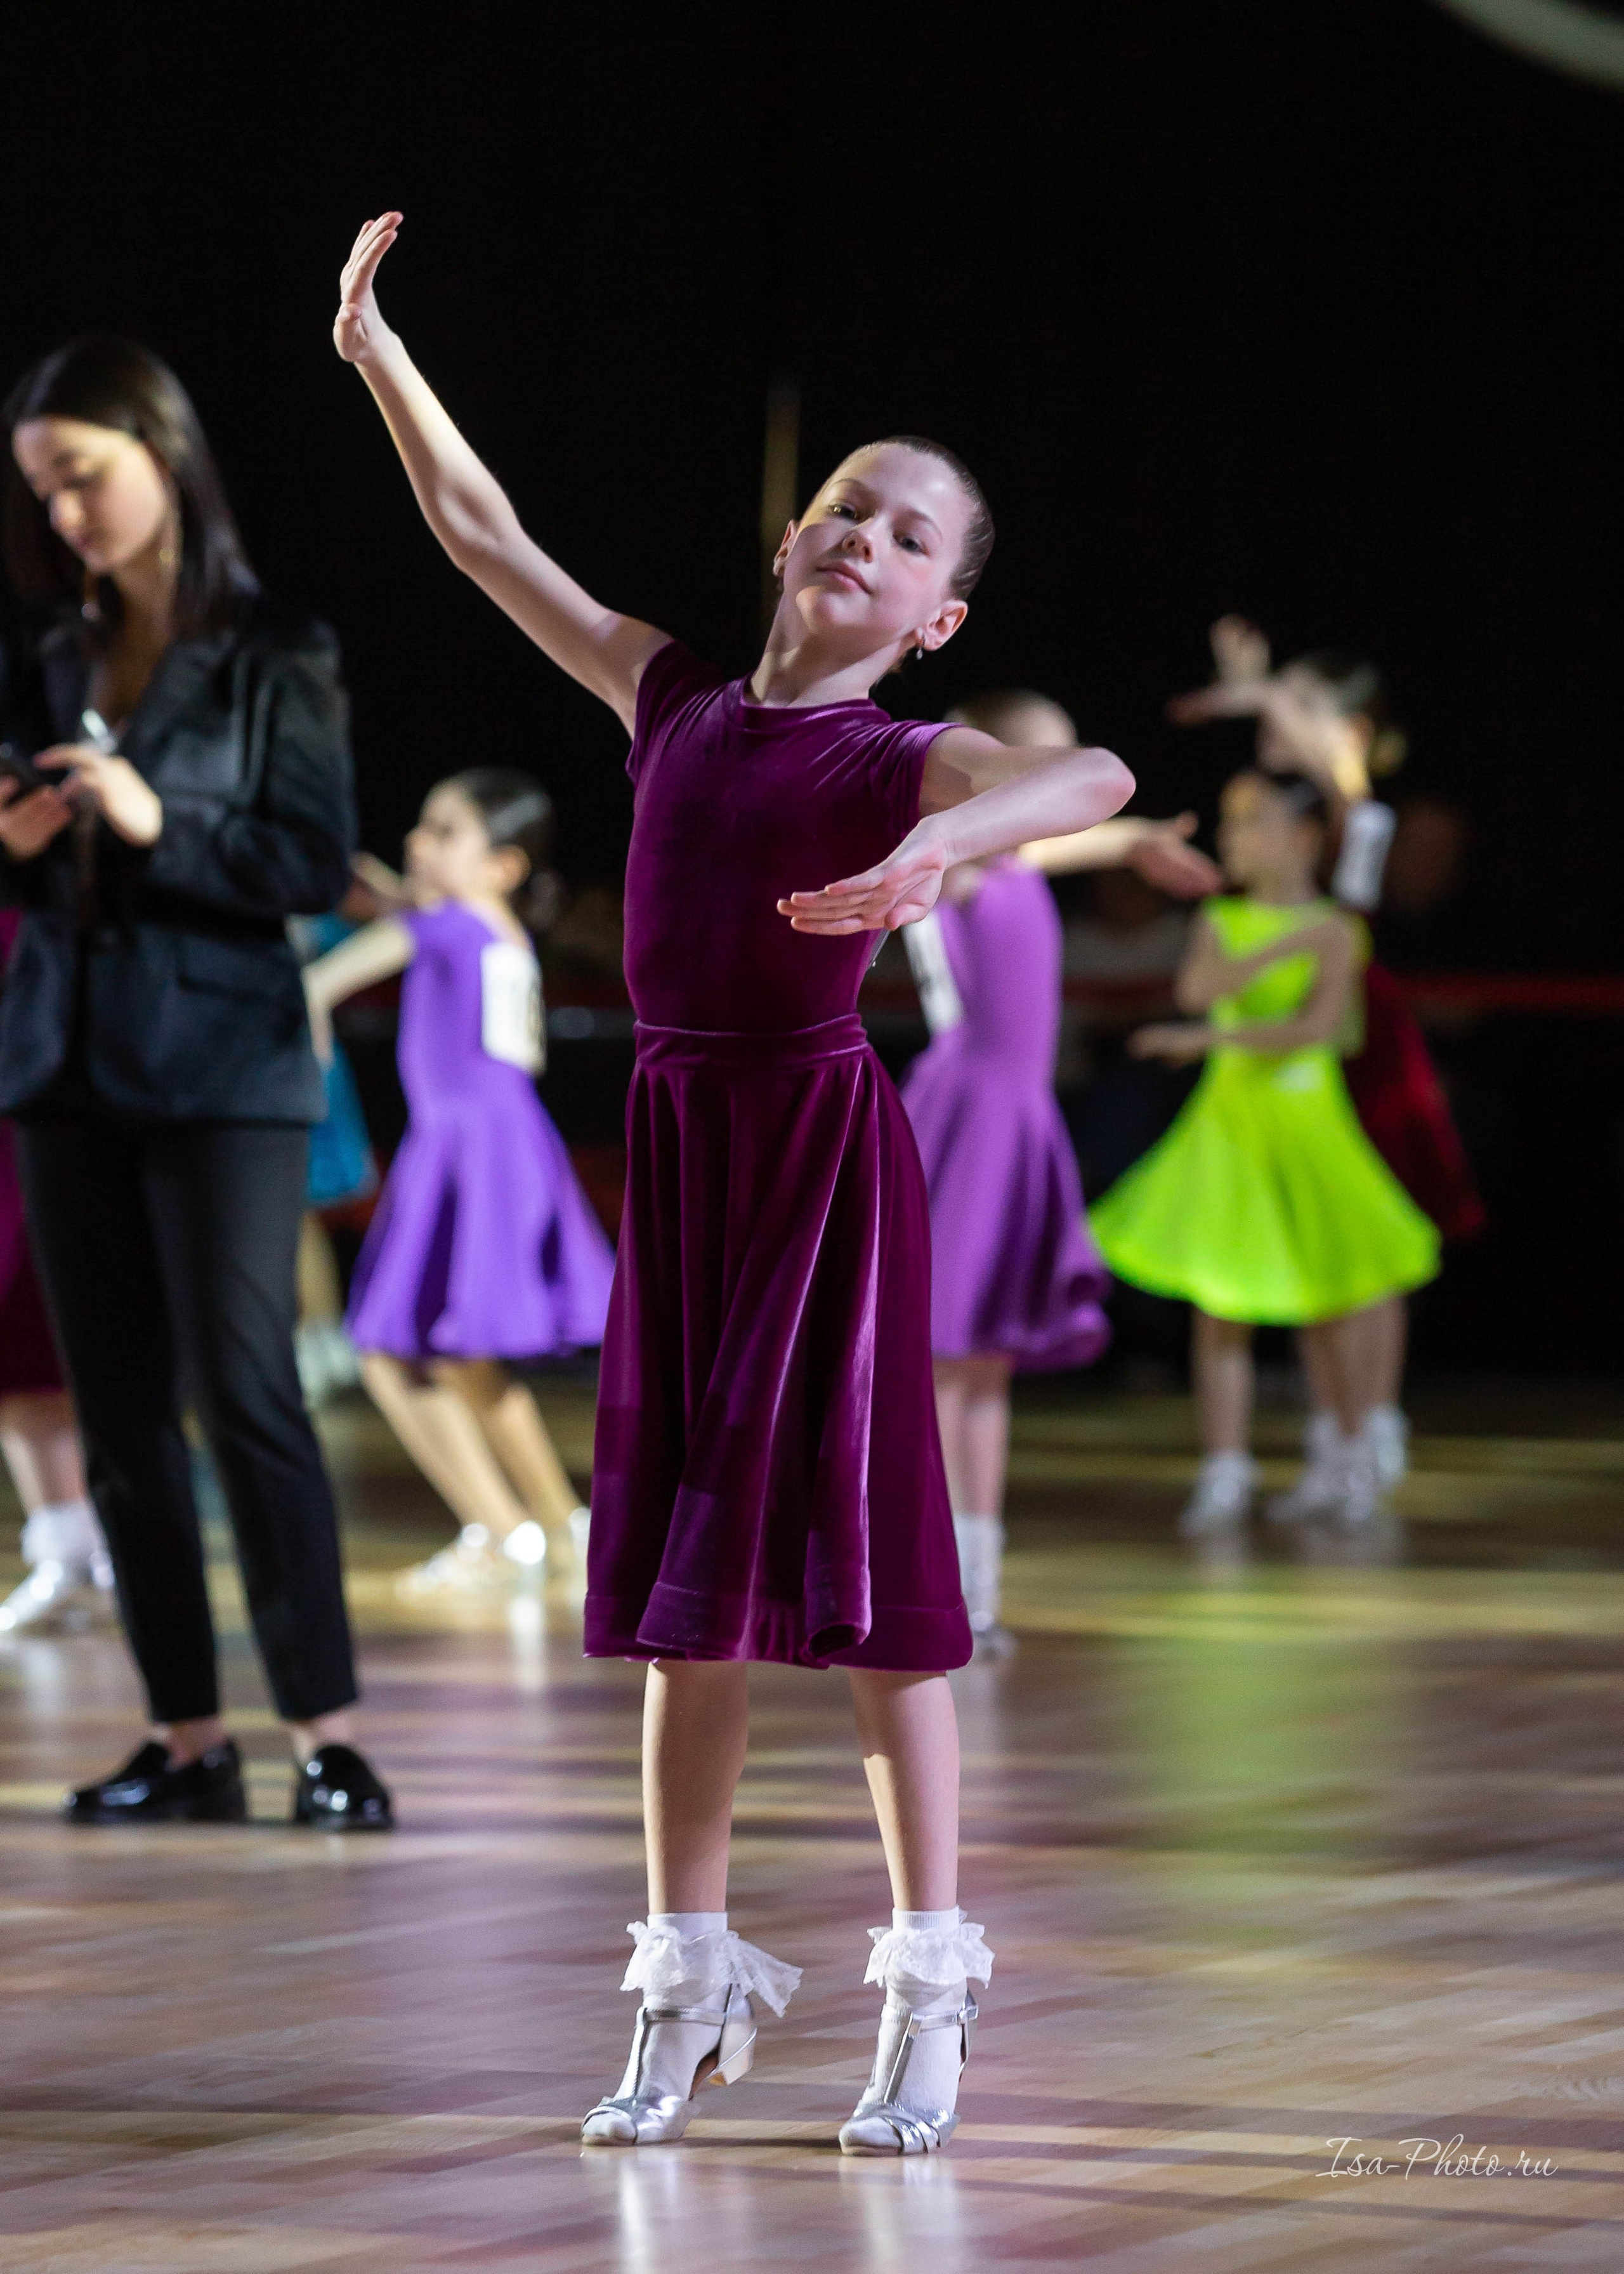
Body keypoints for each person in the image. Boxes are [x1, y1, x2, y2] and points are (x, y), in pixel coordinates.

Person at [333, 211, 1135, 2155]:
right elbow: (481, 534)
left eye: (908, 535)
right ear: (793, 538)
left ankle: (927, 1981)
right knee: (686, 1602)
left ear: (933, 614)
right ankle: (685, 1979)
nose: (865, 534)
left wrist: (943, 853)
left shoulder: (906, 751)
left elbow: (1089, 776)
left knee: (871, 1602)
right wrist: (373, 351)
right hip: (686, 1162)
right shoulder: (672, 699)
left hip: (824, 1163)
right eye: (848, 508)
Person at [0, 336, 391, 1829]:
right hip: (65, 1060)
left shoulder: (277, 648)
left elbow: (309, 862)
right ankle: (184, 1738)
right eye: (44, 492)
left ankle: (330, 1734)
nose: (67, 517)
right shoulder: (42, 648)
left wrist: (160, 822)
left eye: (83, 479)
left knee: (247, 1395)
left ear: (163, 456)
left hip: (226, 1060)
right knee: (116, 1416)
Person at [900, 689, 1219, 1645]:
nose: (1065, 773)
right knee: (942, 1363)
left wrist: (1133, 842)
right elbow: (1005, 844)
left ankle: (977, 1586)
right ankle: (928, 1582)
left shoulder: (1013, 860)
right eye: (1046, 756)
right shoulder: (950, 855)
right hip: (962, 1121)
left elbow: (1047, 842)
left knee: (982, 1366)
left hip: (1013, 1123)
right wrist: (1123, 842)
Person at [1170, 621, 1482, 1511]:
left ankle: (1371, 1430)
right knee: (1311, 1244)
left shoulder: (1362, 817)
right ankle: (1331, 1436)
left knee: (1368, 1253)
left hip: (1358, 1048)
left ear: (1348, 731)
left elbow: (1336, 770)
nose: (1280, 719)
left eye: (1306, 706)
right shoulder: (1289, 820)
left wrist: (1259, 693)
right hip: (1291, 1058)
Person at [1089, 770, 1441, 1533]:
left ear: (1305, 836)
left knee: (1327, 1296)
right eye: (1231, 819)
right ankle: (1224, 1465)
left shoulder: (1340, 927)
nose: (1234, 835)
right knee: (1220, 1304)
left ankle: (1348, 1456)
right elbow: (1196, 989)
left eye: (1252, 821)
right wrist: (1279, 946)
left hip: (1309, 1121)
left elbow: (1323, 1029)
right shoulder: (1224, 917)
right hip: (1231, 1125)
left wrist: (1222, 1028)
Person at [303, 768, 615, 1591]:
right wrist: (396, 901)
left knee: (429, 1352)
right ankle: (529, 1529)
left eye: (445, 833)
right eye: (423, 827)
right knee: (424, 1354)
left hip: (467, 1151)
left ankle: (538, 1528)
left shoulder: (444, 927)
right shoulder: (493, 927)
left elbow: (318, 986)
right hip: (501, 1146)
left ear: (503, 864)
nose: (418, 842)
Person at [0, 906, 114, 1634]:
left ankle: (110, 1551)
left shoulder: (43, 888)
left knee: (55, 1349)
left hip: (41, 1126)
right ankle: (69, 1548)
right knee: (16, 1368)